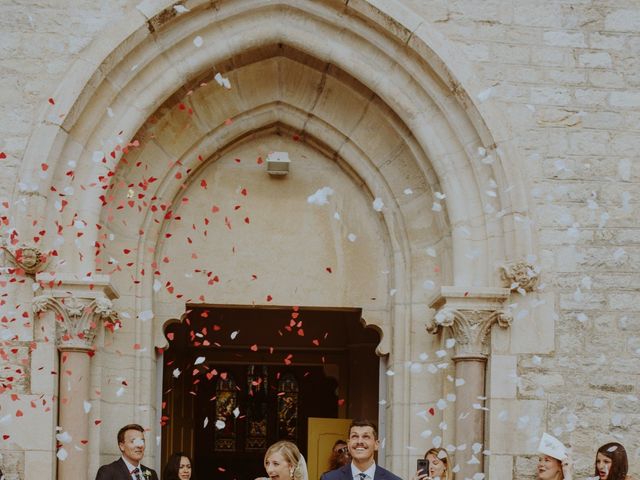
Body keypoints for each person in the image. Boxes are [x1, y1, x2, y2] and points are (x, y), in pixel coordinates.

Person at [320, 419, 402, 480]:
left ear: (376, 444)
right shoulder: (329, 478)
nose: (359, 441)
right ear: (348, 444)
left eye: (366, 437)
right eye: (355, 436)